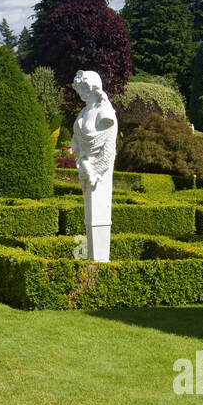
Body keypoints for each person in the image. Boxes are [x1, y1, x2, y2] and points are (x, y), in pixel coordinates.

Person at [71, 70, 117, 262]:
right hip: (85, 166)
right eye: (79, 87)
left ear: (94, 87)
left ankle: (100, 260)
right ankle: (92, 258)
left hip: (100, 171)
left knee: (99, 216)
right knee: (89, 215)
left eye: (85, 87)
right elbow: (77, 141)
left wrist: (94, 168)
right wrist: (83, 160)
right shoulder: (84, 112)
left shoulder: (104, 112)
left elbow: (107, 146)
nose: (81, 91)